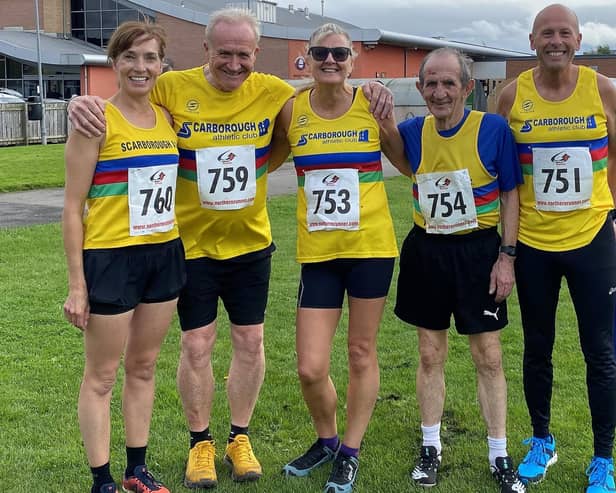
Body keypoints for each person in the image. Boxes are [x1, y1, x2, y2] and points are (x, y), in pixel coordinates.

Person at [67, 7, 393, 489]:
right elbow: (125, 88)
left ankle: (239, 438)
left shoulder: (274, 92)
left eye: (243, 54)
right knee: (196, 345)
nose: (234, 63)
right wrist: (81, 100)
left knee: (250, 343)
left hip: (251, 243)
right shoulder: (171, 88)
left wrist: (373, 88)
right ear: (206, 51)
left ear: (257, 54)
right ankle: (200, 442)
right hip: (189, 244)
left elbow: (318, 101)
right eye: (224, 53)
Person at [378, 47, 526, 493]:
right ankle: (430, 448)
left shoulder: (493, 129)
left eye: (449, 83)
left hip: (479, 251)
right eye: (431, 84)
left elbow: (510, 197)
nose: (440, 92)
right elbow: (395, 154)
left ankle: (499, 453)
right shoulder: (412, 131)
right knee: (429, 355)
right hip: (428, 250)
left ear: (467, 87)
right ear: (421, 88)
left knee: (489, 356)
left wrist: (507, 257)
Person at [270, 23, 399, 493]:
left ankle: (350, 451)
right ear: (306, 57)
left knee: (361, 352)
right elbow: (265, 161)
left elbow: (406, 162)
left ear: (353, 60)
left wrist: (388, 117)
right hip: (319, 255)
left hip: (370, 250)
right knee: (310, 366)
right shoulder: (291, 111)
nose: (330, 61)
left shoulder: (373, 103)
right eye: (321, 53)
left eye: (339, 54)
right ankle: (327, 440)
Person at [497, 4, 616, 492]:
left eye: (564, 33)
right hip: (534, 244)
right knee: (537, 348)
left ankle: (604, 458)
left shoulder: (603, 90)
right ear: (532, 39)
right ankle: (542, 441)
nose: (555, 41)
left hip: (592, 239)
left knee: (601, 352)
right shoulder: (510, 96)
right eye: (547, 33)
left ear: (579, 40)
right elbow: (499, 167)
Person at [62, 21, 184, 493]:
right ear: (114, 63)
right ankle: (101, 480)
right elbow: (72, 209)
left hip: (163, 254)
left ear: (161, 65)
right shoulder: (95, 121)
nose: (140, 67)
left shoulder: (168, 119)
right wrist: (77, 284)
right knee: (101, 375)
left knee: (144, 365)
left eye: (150, 58)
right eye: (130, 57)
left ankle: (137, 470)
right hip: (111, 259)